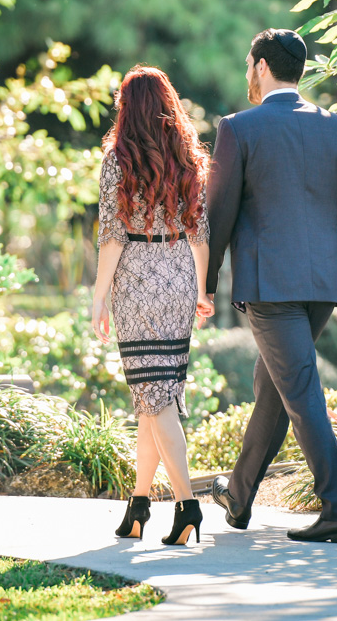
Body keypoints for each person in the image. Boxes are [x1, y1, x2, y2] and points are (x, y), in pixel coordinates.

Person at [204, 28, 337, 544]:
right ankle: (237, 497)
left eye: (247, 64)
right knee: (275, 387)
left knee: (299, 392)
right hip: (322, 287)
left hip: (270, 288)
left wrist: (205, 284)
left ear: (260, 66)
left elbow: (219, 213)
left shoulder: (238, 127)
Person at [91, 65, 216, 546]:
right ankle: (138, 506)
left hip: (138, 276)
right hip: (179, 271)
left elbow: (112, 235)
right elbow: (199, 231)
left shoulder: (117, 160)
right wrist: (202, 289)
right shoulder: (188, 157)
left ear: (128, 107)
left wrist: (99, 294)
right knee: (154, 394)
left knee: (154, 393)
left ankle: (187, 507)